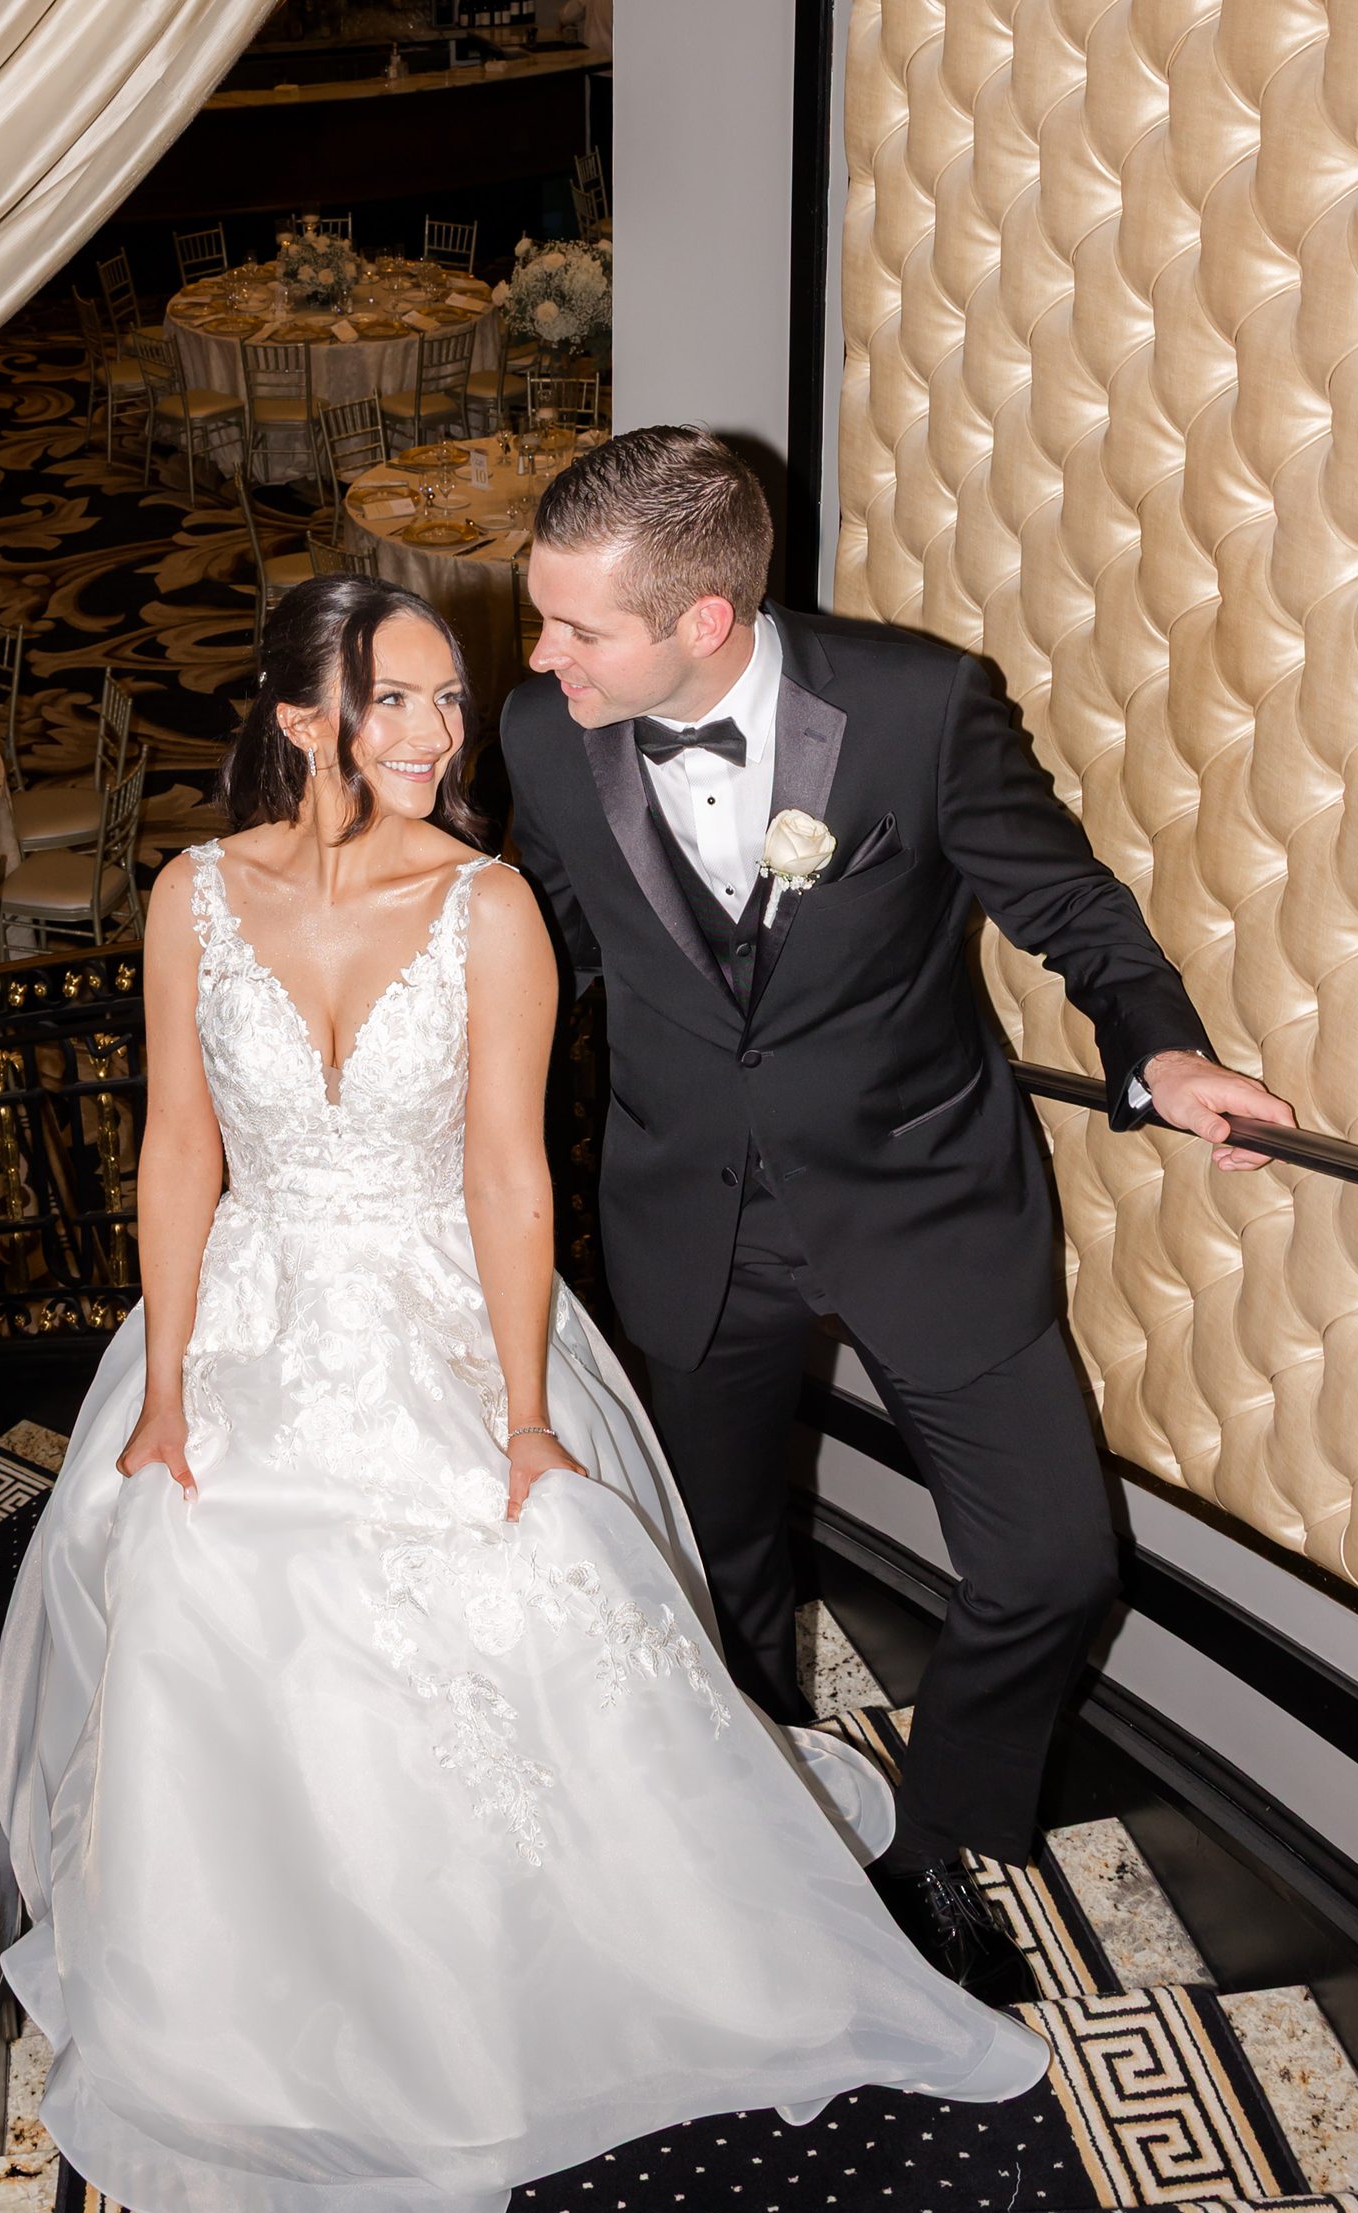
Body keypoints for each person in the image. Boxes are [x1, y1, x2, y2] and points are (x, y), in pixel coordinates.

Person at [0, 571, 1044, 2213]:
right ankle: (259, 1985)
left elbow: (506, 1173)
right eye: (388, 702)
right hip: (248, 1309)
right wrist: (170, 1389)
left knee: (524, 1577)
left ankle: (543, 1961)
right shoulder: (189, 896)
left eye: (447, 704)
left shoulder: (491, 908)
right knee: (183, 1571)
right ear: (293, 715)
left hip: (440, 1310)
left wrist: (528, 1410)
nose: (427, 734)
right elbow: (180, 1147)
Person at [502, 430, 1293, 2007]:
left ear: (705, 620)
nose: (541, 655)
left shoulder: (920, 707)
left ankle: (935, 1839)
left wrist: (1164, 1049)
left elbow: (1064, 903)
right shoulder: (544, 734)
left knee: (1058, 1565)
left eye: (579, 627)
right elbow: (556, 956)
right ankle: (753, 1844)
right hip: (684, 1215)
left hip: (927, 1198)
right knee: (717, 1570)